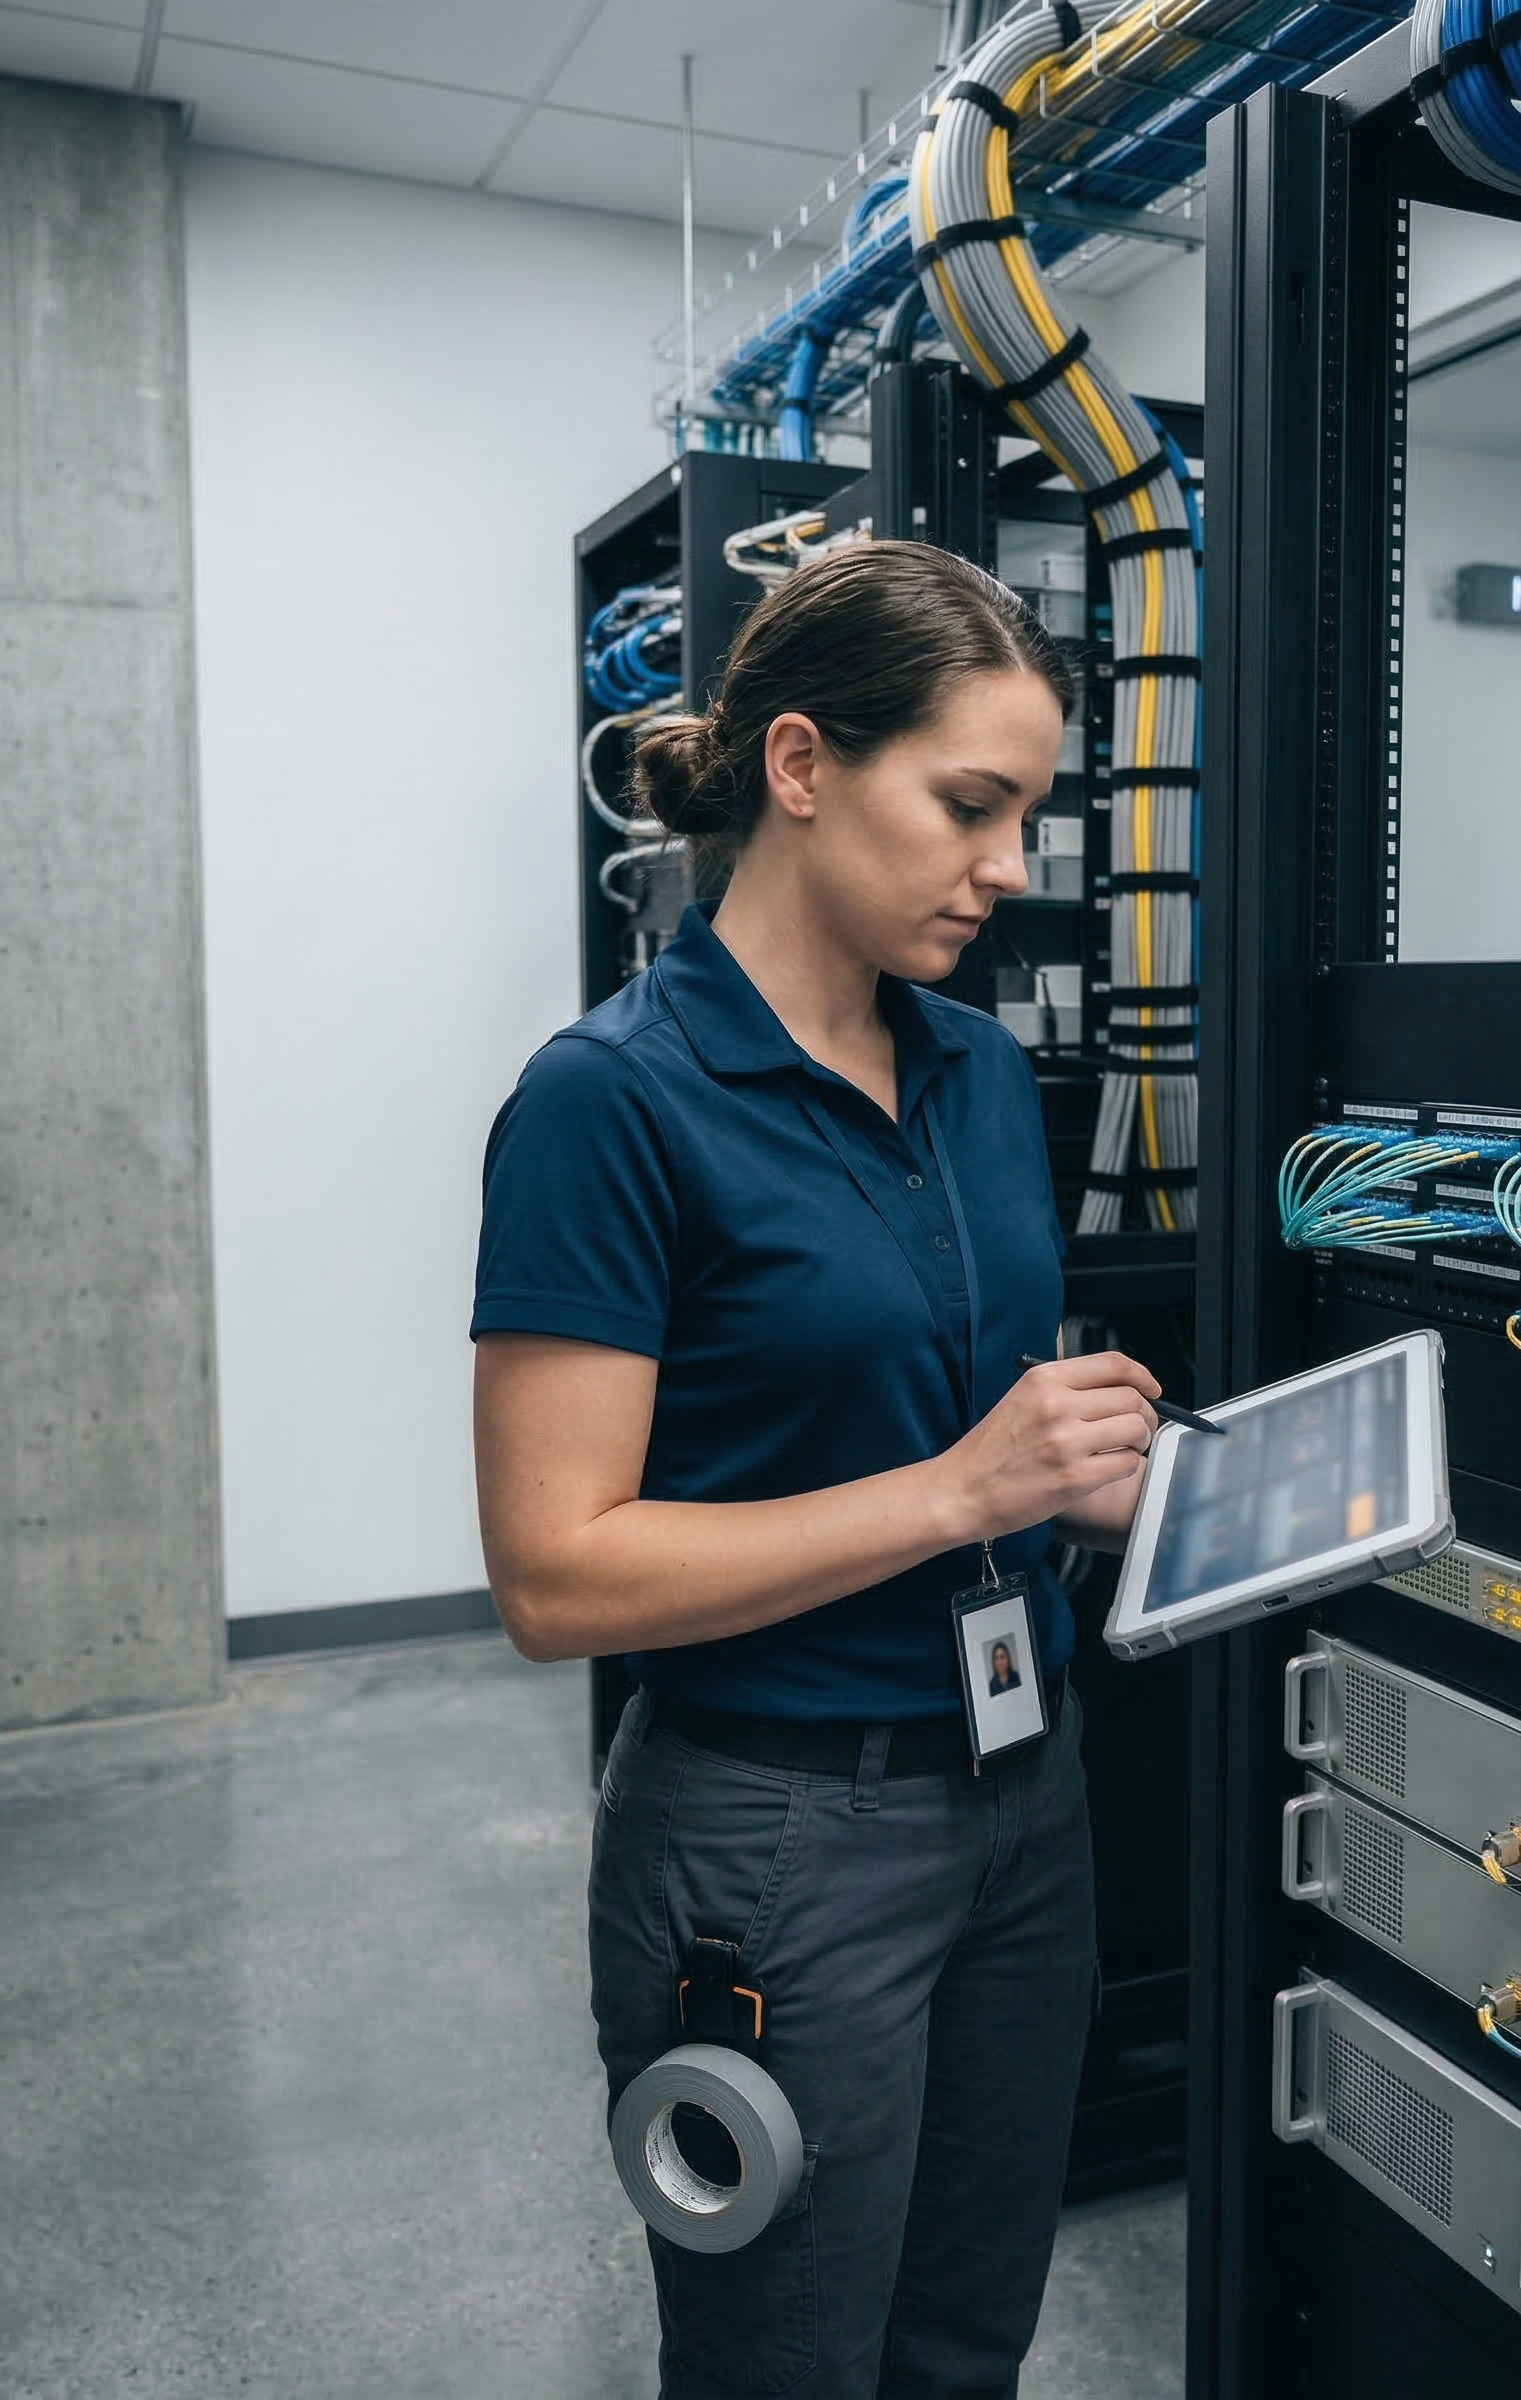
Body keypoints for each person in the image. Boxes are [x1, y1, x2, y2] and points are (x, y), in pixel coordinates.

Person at [471, 542, 1162, 2400]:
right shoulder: (609, 1100)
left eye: (1028, 814)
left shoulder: (976, 1070)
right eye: (968, 805)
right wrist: (966, 1487)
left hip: (1027, 1797)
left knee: (962, 2341)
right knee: (788, 2359)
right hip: (779, 1841)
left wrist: (1088, 1472)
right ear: (799, 767)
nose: (1009, 868)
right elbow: (556, 1578)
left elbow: (971, 1415)